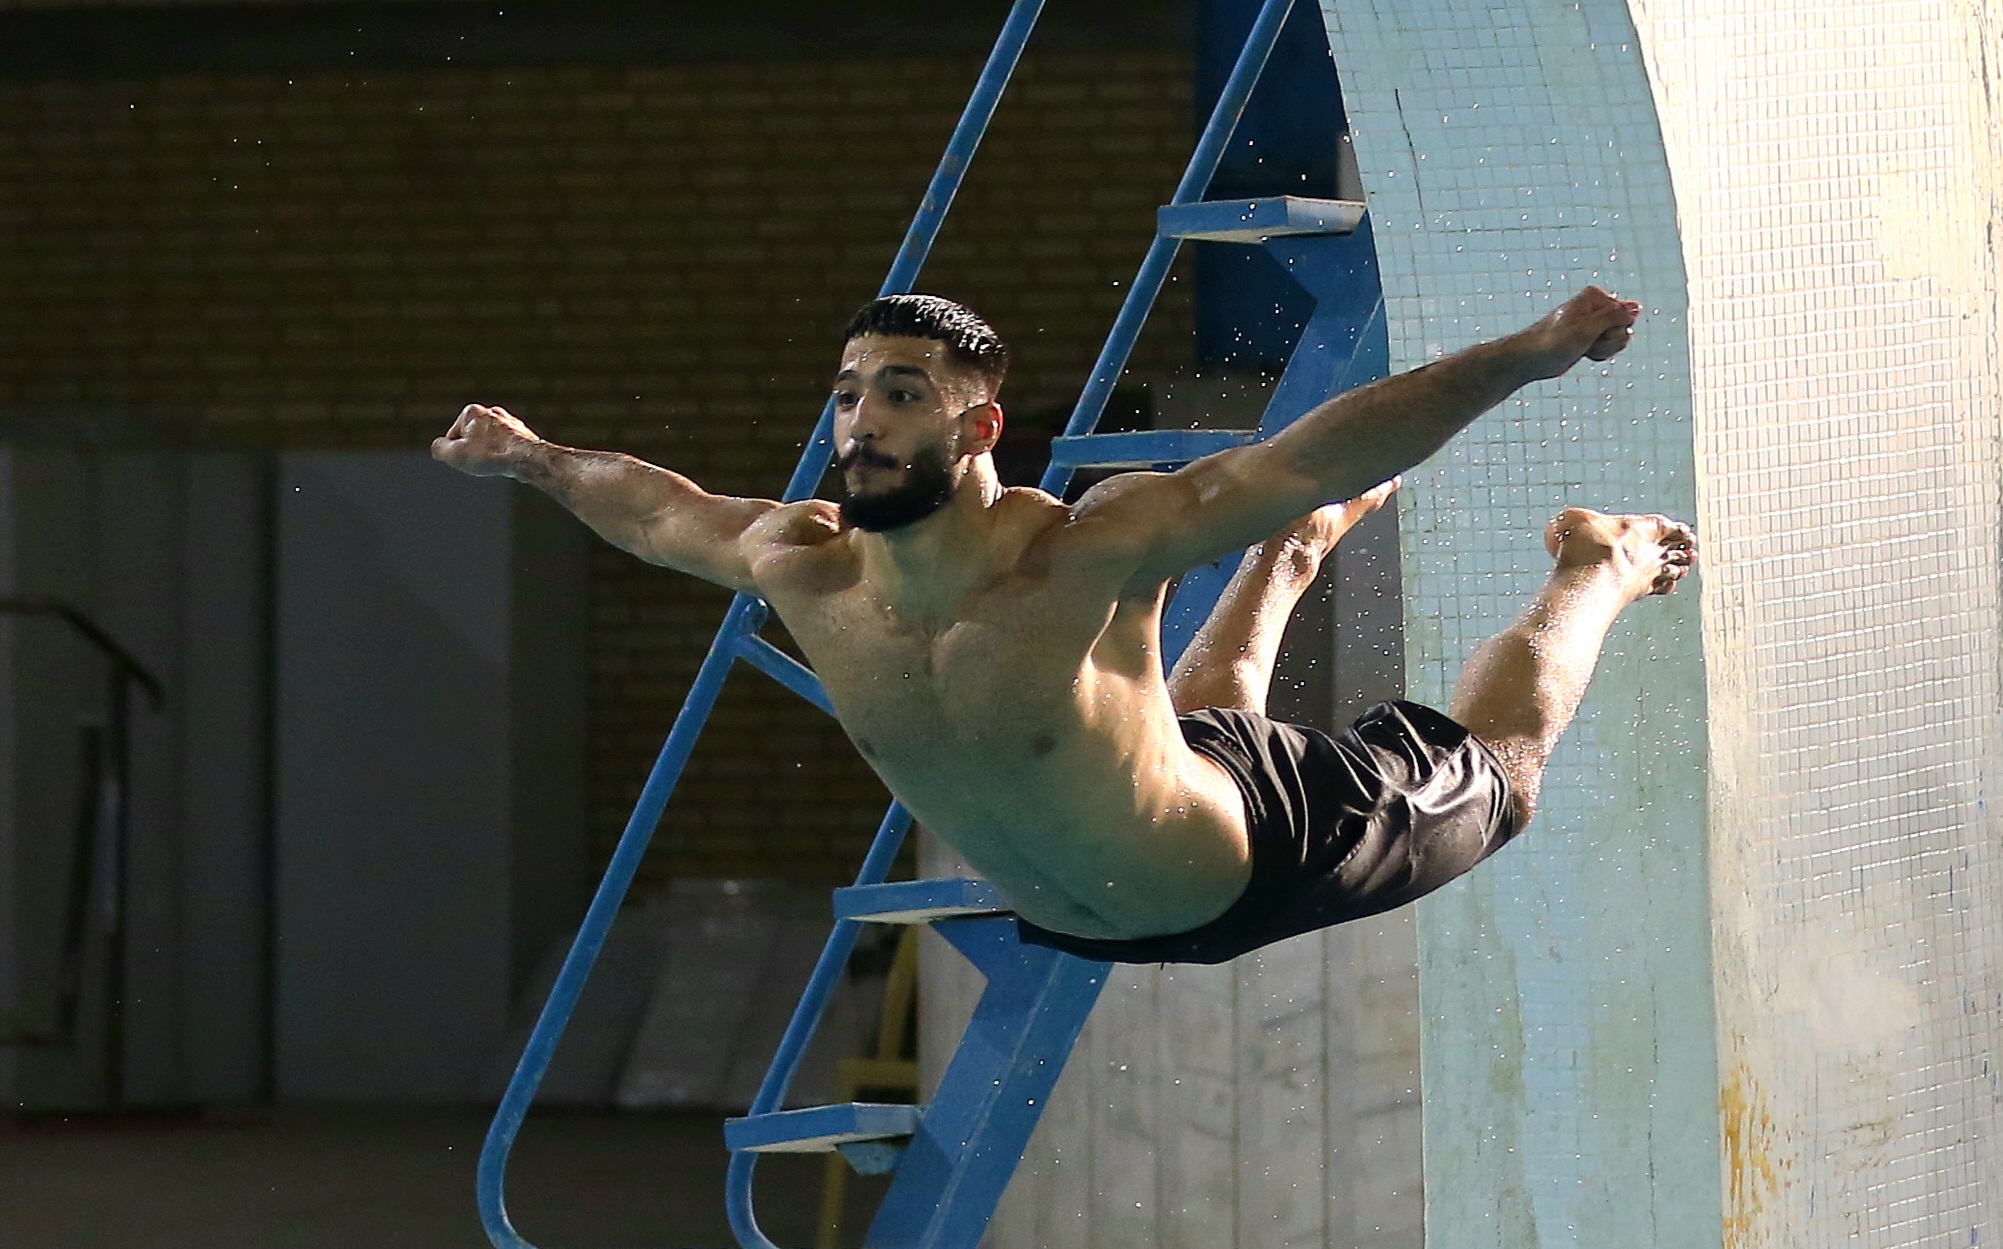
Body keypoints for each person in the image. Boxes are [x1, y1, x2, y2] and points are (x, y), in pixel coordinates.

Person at [432, 289, 1693, 965]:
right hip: (1126, 859)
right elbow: (660, 510)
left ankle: (1601, 564)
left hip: (1259, 852)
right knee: (1182, 725)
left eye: (901, 394)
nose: (861, 421)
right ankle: (1292, 559)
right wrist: (533, 457)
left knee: (1499, 774)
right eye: (847, 394)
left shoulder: (1081, 549)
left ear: (979, 427)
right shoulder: (800, 566)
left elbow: (1308, 455)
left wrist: (1526, 354)